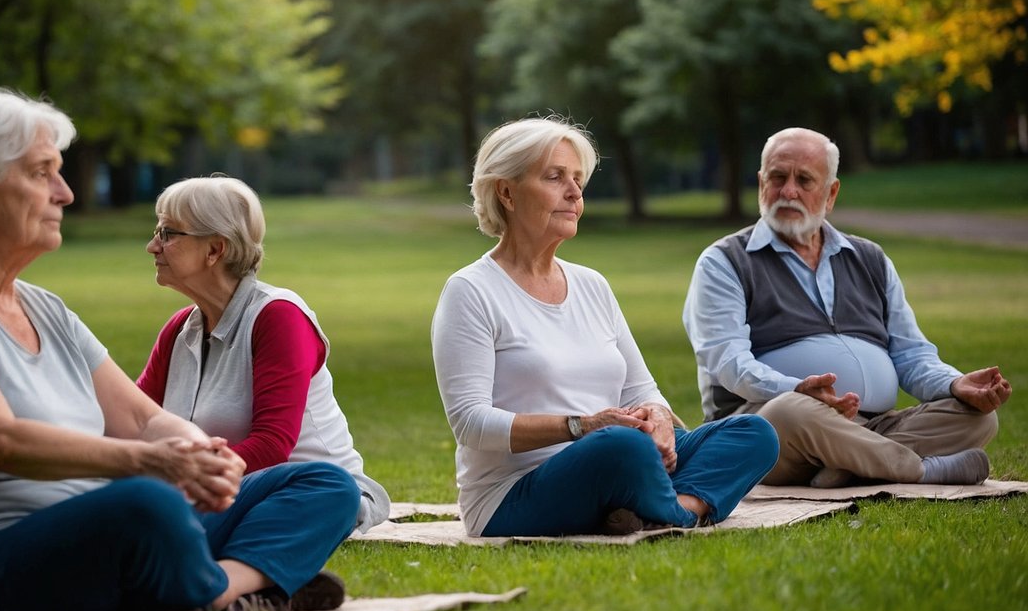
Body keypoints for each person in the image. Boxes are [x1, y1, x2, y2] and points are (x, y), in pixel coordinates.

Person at [0, 88, 360, 611]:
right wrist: (154, 464)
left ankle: (213, 590)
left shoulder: (46, 310)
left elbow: (142, 418)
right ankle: (221, 588)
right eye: (42, 173)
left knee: (325, 484)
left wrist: (200, 458)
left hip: (88, 534)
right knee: (148, 505)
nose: (66, 193)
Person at [430, 117, 779, 537]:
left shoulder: (591, 285)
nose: (575, 192)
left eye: (578, 179)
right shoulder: (471, 291)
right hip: (515, 492)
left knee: (755, 432)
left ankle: (673, 509)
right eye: (555, 177)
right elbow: (470, 423)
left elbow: (641, 390)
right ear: (506, 191)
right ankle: (671, 506)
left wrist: (661, 422)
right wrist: (582, 426)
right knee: (622, 446)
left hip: (617, 452)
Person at [682, 126, 1011, 488]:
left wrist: (954, 384)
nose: (788, 191)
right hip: (766, 424)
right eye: (777, 177)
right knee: (792, 411)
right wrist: (795, 388)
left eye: (804, 180)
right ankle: (918, 470)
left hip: (869, 425)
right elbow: (728, 364)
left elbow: (911, 355)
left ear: (831, 193)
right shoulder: (724, 261)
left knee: (979, 417)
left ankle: (849, 468)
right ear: (761, 182)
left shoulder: (870, 258)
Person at [137, 175, 390, 533]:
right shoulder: (180, 329)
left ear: (215, 249)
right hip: (215, 491)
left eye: (167, 233)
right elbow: (133, 419)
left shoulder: (279, 316)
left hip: (307, 493)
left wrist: (180, 478)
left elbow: (272, 446)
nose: (152, 246)